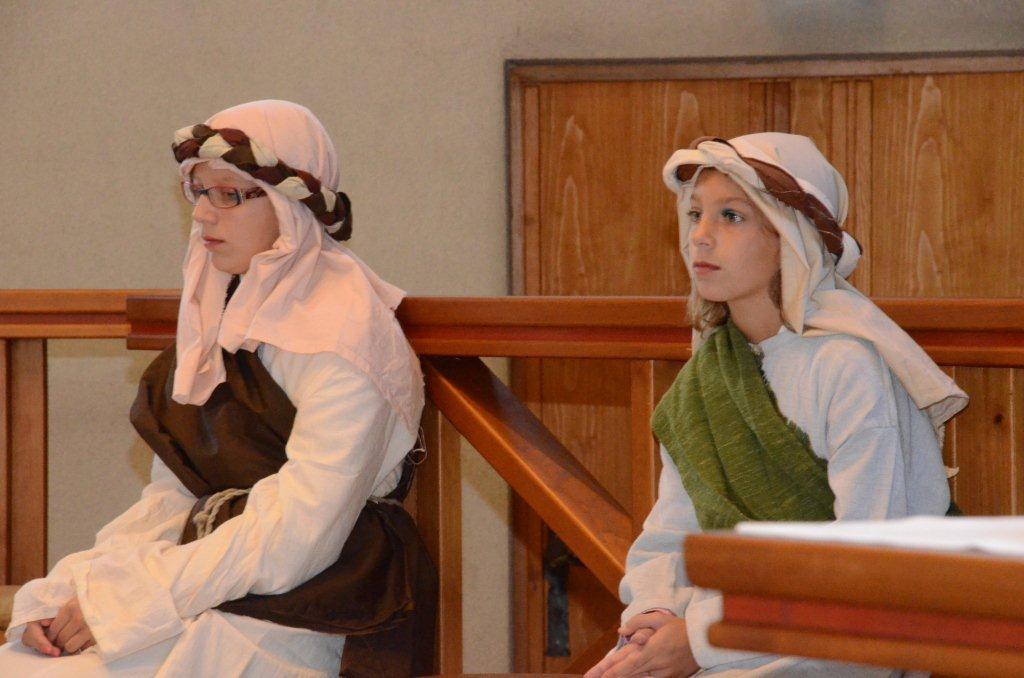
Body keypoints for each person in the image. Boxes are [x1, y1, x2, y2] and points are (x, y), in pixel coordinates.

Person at [0, 99, 433, 677]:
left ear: (290, 206)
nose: (203, 215)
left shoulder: (348, 338)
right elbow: (173, 498)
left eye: (228, 194)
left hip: (310, 610)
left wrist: (130, 602)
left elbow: (298, 535)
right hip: (211, 584)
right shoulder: (216, 322)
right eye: (198, 191)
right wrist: (72, 592)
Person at [586, 133, 967, 677]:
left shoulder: (848, 367)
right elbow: (670, 537)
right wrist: (655, 615)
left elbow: (869, 568)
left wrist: (699, 640)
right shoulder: (703, 382)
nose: (699, 236)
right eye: (695, 214)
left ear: (791, 236)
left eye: (731, 216)